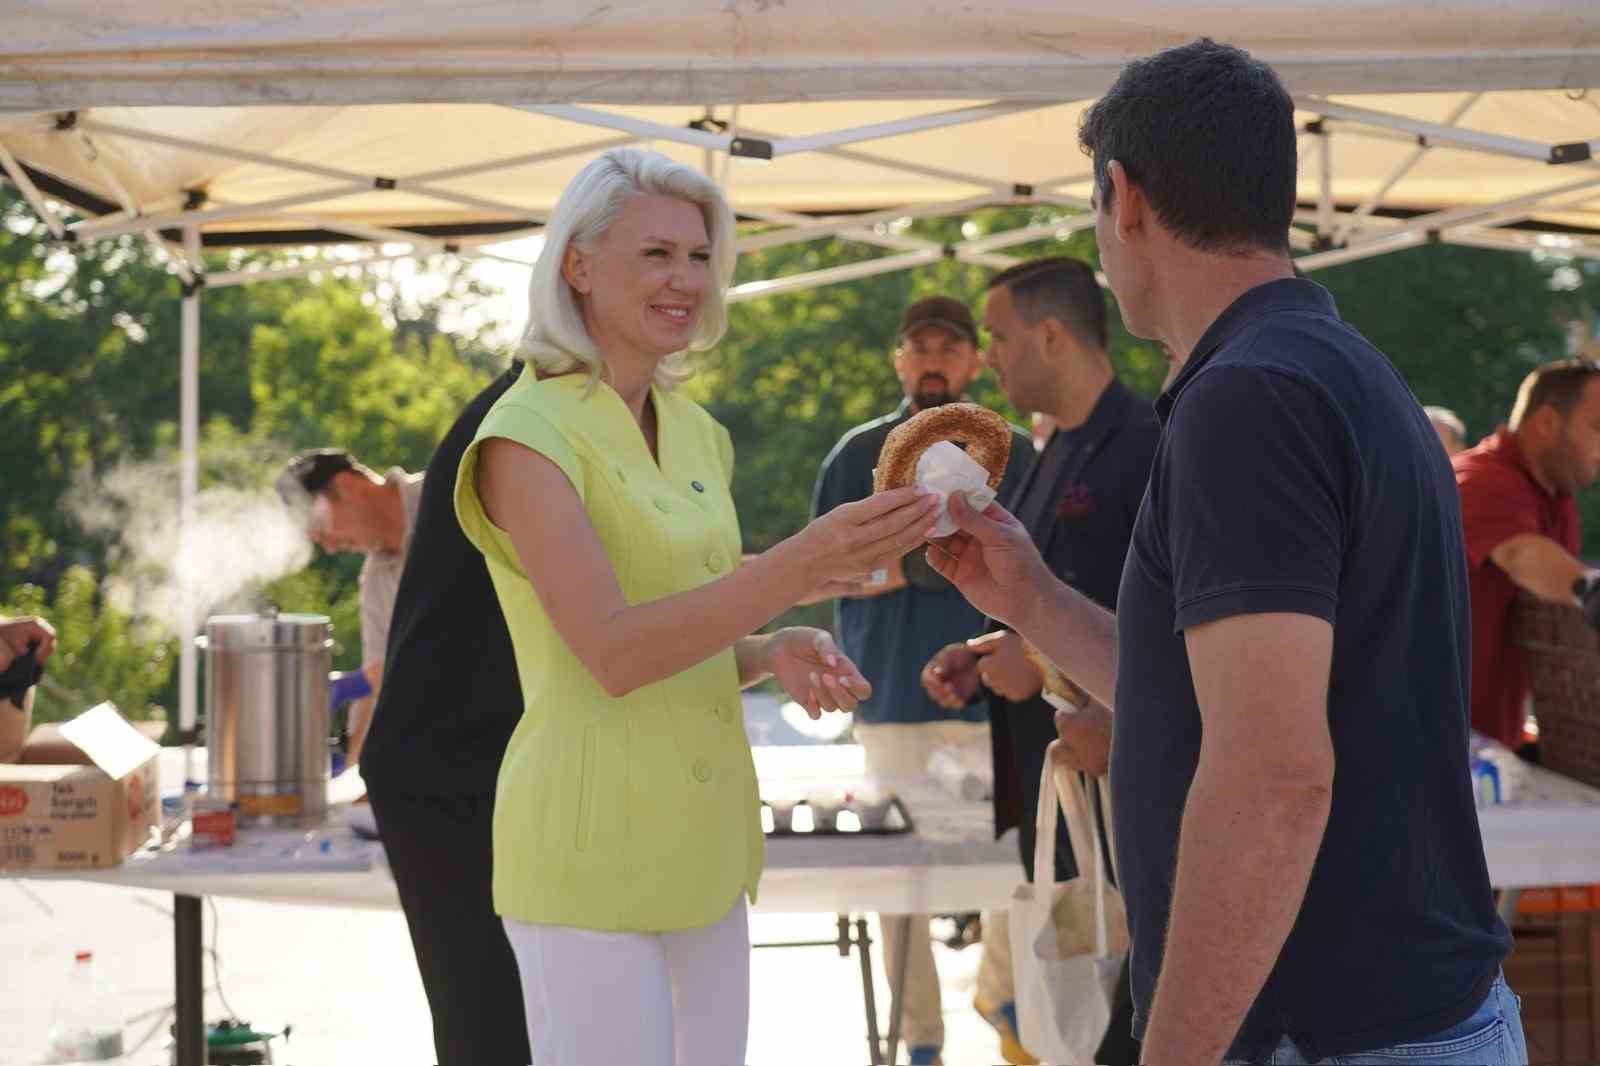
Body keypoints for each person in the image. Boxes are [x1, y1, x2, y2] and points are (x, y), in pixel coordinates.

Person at [928, 38, 1523, 1066]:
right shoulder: (1328, 367)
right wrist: (1030, 594)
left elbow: (1272, 774)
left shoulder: (1249, 398)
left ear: (1123, 197)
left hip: (1332, 1029)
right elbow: (1216, 698)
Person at [453, 147, 939, 1066]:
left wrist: (768, 649)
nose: (686, 278)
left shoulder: (696, 433)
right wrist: (798, 566)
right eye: (657, 254)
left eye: (701, 256)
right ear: (579, 266)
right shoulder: (524, 437)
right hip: (586, 858)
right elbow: (612, 652)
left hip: (706, 855)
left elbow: (690, 621)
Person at [922, 256, 1157, 1066]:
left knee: (1125, 1019)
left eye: (999, 337)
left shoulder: (1148, 444)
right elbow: (1044, 600)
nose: (989, 357)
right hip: (1059, 801)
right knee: (1073, 1016)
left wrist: (1113, 720)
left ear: (1052, 334)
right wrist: (988, 649)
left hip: (1128, 804)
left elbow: (1178, 631)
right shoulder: (1049, 451)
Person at [811, 294, 1031, 1065]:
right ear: (899, 360)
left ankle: (1008, 1009)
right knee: (897, 883)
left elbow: (1044, 569)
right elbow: (828, 567)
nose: (933, 359)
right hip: (894, 700)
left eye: (950, 346)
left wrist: (899, 565)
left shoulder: (1018, 453)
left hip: (1004, 700)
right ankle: (921, 1042)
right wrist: (930, 565)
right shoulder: (857, 454)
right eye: (919, 346)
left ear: (975, 360)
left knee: (1020, 870)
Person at [356, 360, 531, 1064]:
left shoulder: (556, 416)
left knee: (504, 1013)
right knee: (490, 1019)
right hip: (450, 776)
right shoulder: (519, 430)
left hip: (479, 760)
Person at [1453, 361, 1600, 750]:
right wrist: (1592, 590)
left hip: (1486, 743)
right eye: (1598, 427)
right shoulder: (1480, 479)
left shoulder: (1555, 496)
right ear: (1548, 422)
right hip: (1429, 746)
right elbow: (1520, 553)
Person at [276, 450, 422, 765]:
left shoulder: (443, 496)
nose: (329, 548)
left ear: (347, 485)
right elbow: (378, 678)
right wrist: (355, 763)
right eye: (316, 540)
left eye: (322, 527)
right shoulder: (375, 581)